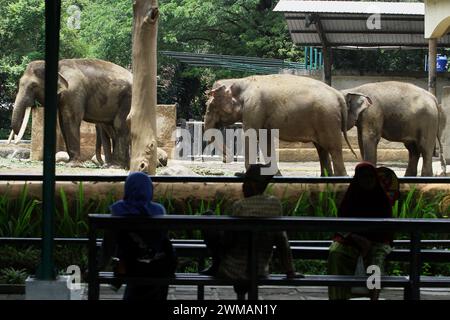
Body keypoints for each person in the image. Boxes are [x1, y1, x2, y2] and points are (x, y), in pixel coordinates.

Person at [201, 164, 301, 298]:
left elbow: (228, 242)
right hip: (260, 270)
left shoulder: (239, 206)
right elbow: (282, 240)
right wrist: (290, 271)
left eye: (245, 182)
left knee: (208, 217)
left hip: (233, 270)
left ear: (252, 185)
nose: (242, 186)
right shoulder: (275, 205)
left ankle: (216, 264)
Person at [99, 172, 177, 300]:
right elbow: (162, 238)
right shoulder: (159, 210)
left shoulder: (118, 210)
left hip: (131, 267)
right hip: (161, 267)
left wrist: (99, 266)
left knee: (126, 247)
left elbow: (109, 243)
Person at [328, 162, 395, 300]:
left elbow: (386, 227)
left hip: (377, 241)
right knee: (336, 253)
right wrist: (355, 237)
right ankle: (337, 296)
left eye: (370, 176)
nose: (368, 180)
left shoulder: (382, 199)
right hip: (351, 240)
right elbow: (342, 223)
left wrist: (369, 242)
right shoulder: (350, 197)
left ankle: (373, 297)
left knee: (375, 264)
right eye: (363, 177)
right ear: (357, 179)